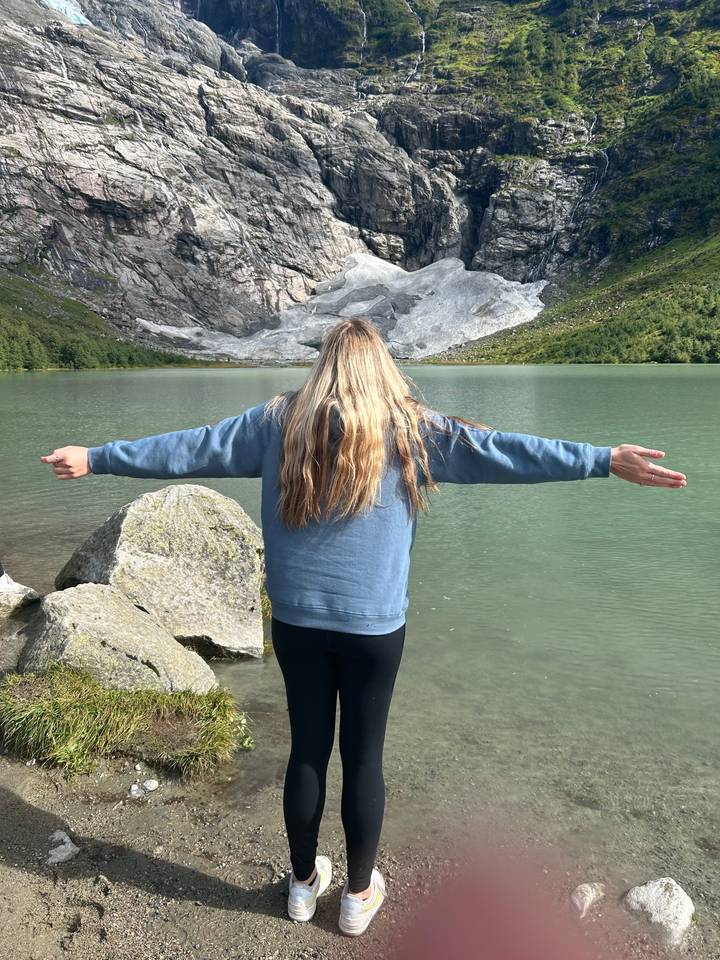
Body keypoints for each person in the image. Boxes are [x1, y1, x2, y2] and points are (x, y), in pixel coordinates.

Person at [40, 318, 687, 937]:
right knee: (363, 757)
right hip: (375, 630)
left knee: (307, 751)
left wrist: (96, 457)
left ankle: (301, 887)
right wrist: (602, 459)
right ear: (383, 369)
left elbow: (188, 448)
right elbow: (506, 453)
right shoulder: (412, 429)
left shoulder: (276, 422)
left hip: (297, 623)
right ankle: (355, 898)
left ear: (323, 368)